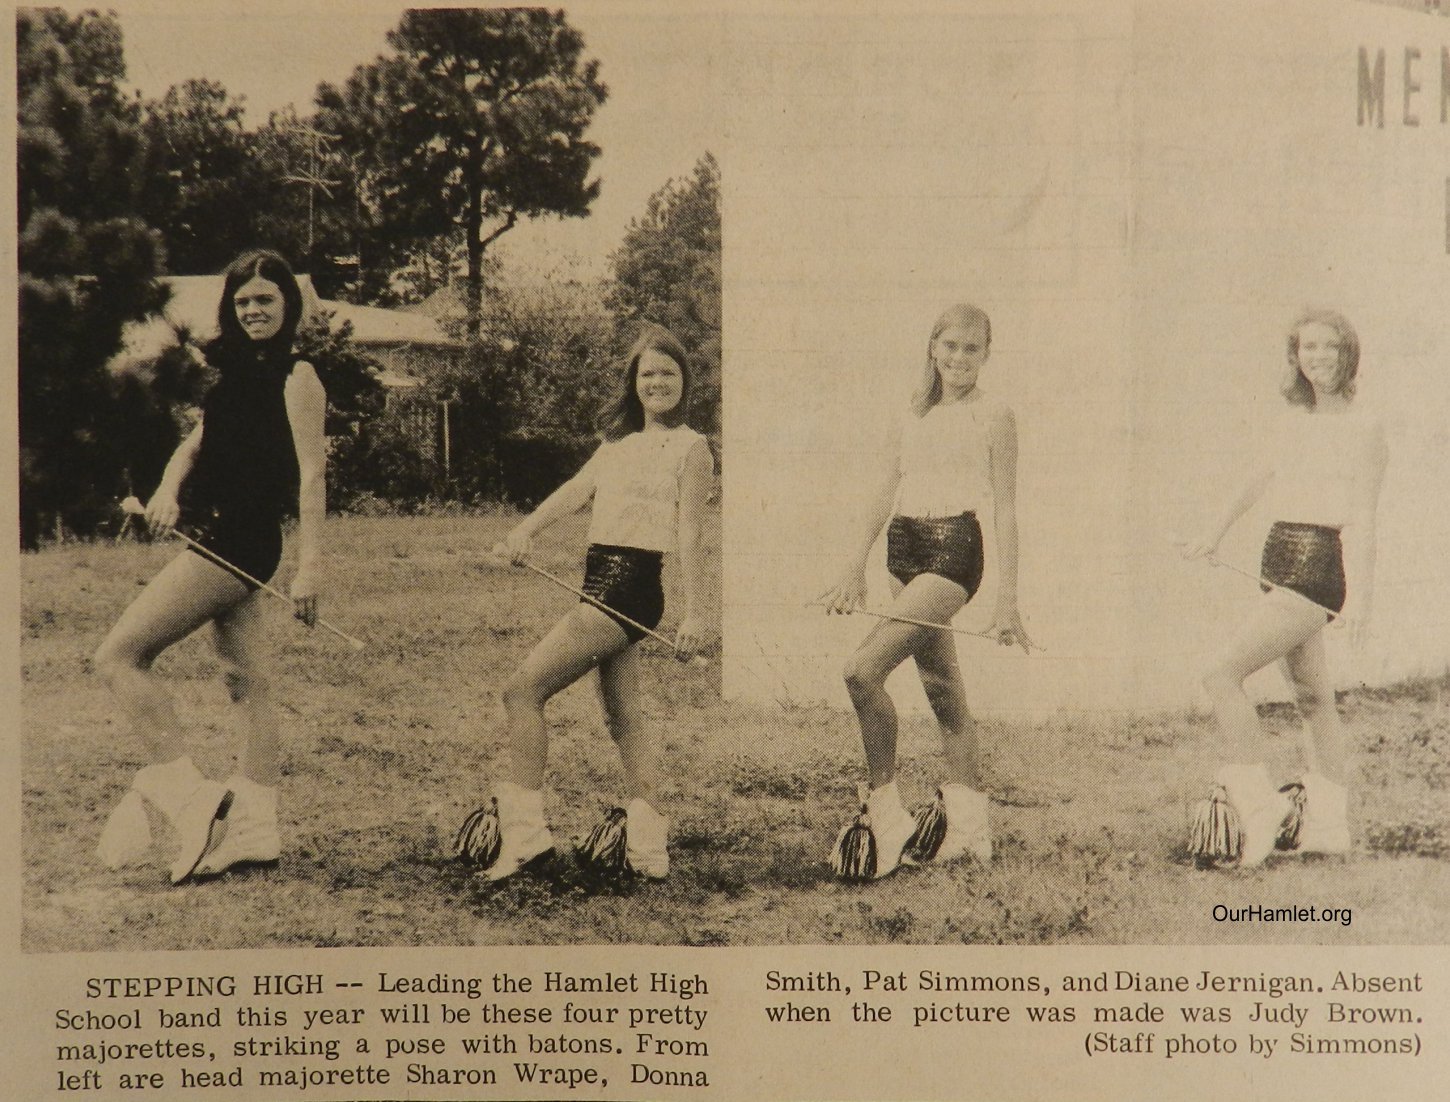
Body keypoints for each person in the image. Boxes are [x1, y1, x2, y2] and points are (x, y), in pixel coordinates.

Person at [94, 250, 326, 883]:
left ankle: (190, 797)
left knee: (117, 657)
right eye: (244, 301)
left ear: (288, 306)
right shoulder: (229, 373)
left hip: (241, 541)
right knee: (248, 683)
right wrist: (168, 489)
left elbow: (311, 476)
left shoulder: (298, 375)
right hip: (225, 533)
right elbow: (196, 442)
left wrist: (311, 568)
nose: (254, 311)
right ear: (231, 307)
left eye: (266, 301)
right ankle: (257, 830)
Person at [455, 325, 713, 882]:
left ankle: (524, 838)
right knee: (624, 716)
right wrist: (526, 530)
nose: (658, 382)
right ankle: (647, 848)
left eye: (669, 372)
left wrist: (696, 612)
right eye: (648, 373)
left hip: (632, 588)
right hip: (599, 582)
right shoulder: (617, 442)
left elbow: (690, 534)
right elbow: (576, 490)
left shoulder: (693, 448)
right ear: (633, 382)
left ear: (684, 382)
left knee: (522, 690)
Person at [817, 303, 1030, 880]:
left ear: (987, 354)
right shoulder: (910, 409)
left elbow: (1006, 509)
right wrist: (852, 566)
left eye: (972, 349)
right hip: (902, 548)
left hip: (954, 550)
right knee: (941, 689)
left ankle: (885, 814)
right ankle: (968, 829)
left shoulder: (996, 414)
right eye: (950, 346)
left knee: (862, 669)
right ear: (932, 346)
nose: (959, 359)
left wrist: (1007, 598)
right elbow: (885, 487)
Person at [1181, 308, 1387, 867]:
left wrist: (1362, 600)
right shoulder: (1289, 418)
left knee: (1219, 674)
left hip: (1317, 565)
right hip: (1277, 556)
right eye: (1306, 348)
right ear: (1295, 357)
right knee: (1315, 700)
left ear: (1348, 354)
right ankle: (1330, 829)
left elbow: (1364, 518)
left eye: (1328, 346)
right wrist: (1213, 533)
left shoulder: (1364, 426)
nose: (1316, 357)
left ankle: (1258, 806)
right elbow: (1257, 479)